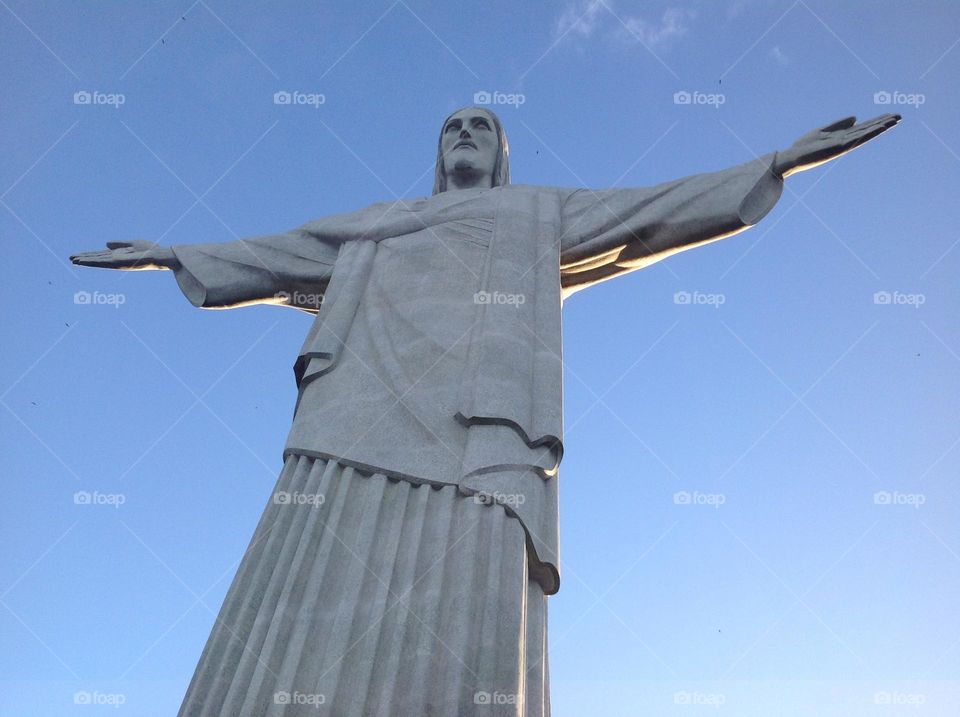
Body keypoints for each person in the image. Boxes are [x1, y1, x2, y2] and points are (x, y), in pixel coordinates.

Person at [72, 107, 899, 716]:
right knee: (306, 575)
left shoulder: (535, 213)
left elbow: (651, 214)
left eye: (480, 126)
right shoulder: (378, 223)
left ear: (501, 155)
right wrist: (171, 253)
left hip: (481, 429)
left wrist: (778, 163)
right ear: (436, 152)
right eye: (450, 127)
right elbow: (271, 256)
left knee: (465, 603)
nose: (463, 133)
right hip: (350, 414)